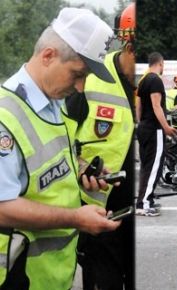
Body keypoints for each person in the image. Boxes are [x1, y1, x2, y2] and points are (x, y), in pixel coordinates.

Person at [0, 8, 120, 290]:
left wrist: (81, 170)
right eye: (78, 74)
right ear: (48, 56)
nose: (80, 87)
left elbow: (42, 165)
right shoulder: (5, 118)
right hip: (19, 276)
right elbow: (2, 207)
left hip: (52, 274)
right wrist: (75, 219)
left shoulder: (53, 103)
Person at [64, 3, 136, 290]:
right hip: (99, 214)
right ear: (130, 45)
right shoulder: (91, 77)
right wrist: (82, 168)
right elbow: (60, 140)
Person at [135, 52, 177, 216]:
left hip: (144, 127)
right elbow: (156, 105)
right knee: (154, 167)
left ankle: (147, 199)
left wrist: (141, 123)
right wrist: (166, 126)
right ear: (160, 63)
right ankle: (144, 204)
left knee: (146, 167)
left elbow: (138, 105)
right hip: (154, 129)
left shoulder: (143, 80)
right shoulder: (155, 80)